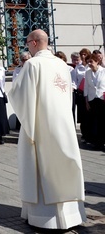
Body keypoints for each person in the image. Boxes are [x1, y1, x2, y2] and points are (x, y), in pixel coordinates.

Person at [8, 29, 86, 230]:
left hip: (40, 125)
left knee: (42, 167)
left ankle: (44, 218)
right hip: (63, 124)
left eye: (26, 43)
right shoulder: (62, 64)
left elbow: (19, 94)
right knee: (62, 165)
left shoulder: (33, 64)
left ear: (34, 43)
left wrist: (29, 121)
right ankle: (69, 216)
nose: (26, 47)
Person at [84, 53, 105, 149]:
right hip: (92, 99)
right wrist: (86, 101)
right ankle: (96, 142)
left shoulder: (103, 71)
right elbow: (86, 87)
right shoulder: (87, 72)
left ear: (97, 62)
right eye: (88, 62)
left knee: (102, 121)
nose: (89, 64)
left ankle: (102, 141)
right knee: (94, 121)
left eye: (91, 62)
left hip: (102, 98)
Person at [71, 51, 86, 125]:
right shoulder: (71, 67)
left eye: (77, 59)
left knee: (82, 111)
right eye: (73, 59)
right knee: (73, 110)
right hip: (74, 91)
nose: (75, 61)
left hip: (82, 91)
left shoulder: (83, 67)